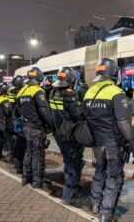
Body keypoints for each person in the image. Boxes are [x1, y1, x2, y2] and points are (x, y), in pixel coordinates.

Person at [84, 58, 134, 222]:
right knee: (112, 176)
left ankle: (95, 204)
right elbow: (123, 123)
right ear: (113, 73)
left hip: (96, 143)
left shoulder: (89, 92)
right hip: (112, 143)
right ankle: (105, 212)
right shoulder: (116, 92)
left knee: (99, 171)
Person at [49, 67, 85, 204]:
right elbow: (79, 115)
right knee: (74, 163)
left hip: (59, 134)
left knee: (67, 161)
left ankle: (70, 188)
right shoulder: (71, 95)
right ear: (71, 80)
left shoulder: (52, 93)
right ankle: (70, 193)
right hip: (70, 135)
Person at [17, 67, 54, 188]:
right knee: (38, 154)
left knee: (28, 152)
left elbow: (18, 109)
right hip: (36, 128)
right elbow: (44, 111)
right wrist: (50, 125)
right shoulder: (38, 91)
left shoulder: (21, 91)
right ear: (39, 77)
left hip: (26, 126)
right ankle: (37, 181)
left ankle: (25, 177)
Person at [0, 83, 12, 161]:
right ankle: (10, 156)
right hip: (3, 122)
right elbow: (7, 112)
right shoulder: (4, 99)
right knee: (8, 139)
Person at [10, 75, 26, 174]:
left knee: (17, 143)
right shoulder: (22, 93)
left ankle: (17, 164)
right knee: (22, 144)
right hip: (20, 121)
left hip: (14, 121)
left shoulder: (11, 93)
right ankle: (20, 166)